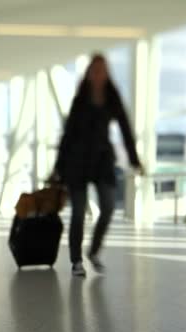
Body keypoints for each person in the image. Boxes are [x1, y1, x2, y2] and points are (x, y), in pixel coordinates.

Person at [54, 54, 143, 277]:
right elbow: (68, 135)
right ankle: (76, 261)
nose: (98, 74)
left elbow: (125, 129)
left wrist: (134, 159)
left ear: (106, 73)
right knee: (78, 212)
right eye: (94, 70)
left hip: (102, 160)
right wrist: (58, 167)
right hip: (77, 162)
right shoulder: (80, 100)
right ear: (89, 74)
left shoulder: (112, 98)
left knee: (109, 206)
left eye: (102, 70)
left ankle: (93, 251)